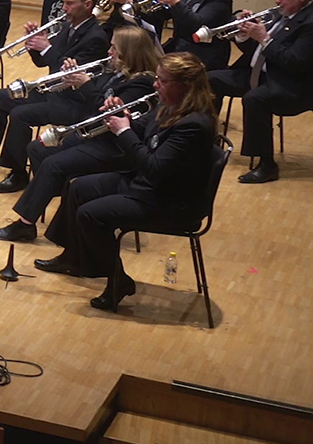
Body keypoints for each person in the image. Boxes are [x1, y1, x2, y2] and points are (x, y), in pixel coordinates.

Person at [36, 52, 219, 312]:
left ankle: (117, 281)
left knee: (91, 215)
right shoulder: (171, 105)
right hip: (152, 186)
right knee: (78, 187)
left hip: (171, 201)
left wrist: (123, 130)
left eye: (163, 81)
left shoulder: (193, 124)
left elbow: (153, 168)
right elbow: (143, 130)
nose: (155, 84)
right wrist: (122, 115)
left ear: (185, 85)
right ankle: (73, 259)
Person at [0, 26, 162, 241]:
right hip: (95, 137)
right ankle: (62, 200)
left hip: (114, 147)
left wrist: (86, 85)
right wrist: (75, 77)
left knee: (53, 165)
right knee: (37, 148)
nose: (109, 51)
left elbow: (108, 116)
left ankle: (26, 224)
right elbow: (94, 101)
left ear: (129, 52)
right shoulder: (115, 71)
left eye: (114, 48)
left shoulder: (141, 84)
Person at [0, 0, 109, 193]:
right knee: (0, 97)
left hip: (73, 101)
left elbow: (71, 74)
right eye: (63, 2)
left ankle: (18, 173)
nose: (64, 8)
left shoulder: (96, 37)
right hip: (52, 91)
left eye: (69, 3)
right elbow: (43, 62)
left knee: (20, 115)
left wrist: (47, 48)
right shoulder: (67, 27)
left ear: (87, 5)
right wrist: (35, 44)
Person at [207, 0, 313, 184]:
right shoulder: (282, 14)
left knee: (255, 99)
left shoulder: (309, 23)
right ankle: (208, 139)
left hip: (292, 84)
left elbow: (294, 62)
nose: (277, 1)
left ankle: (267, 165)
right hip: (258, 73)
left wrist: (264, 37)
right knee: (209, 79)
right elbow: (255, 51)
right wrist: (245, 33)